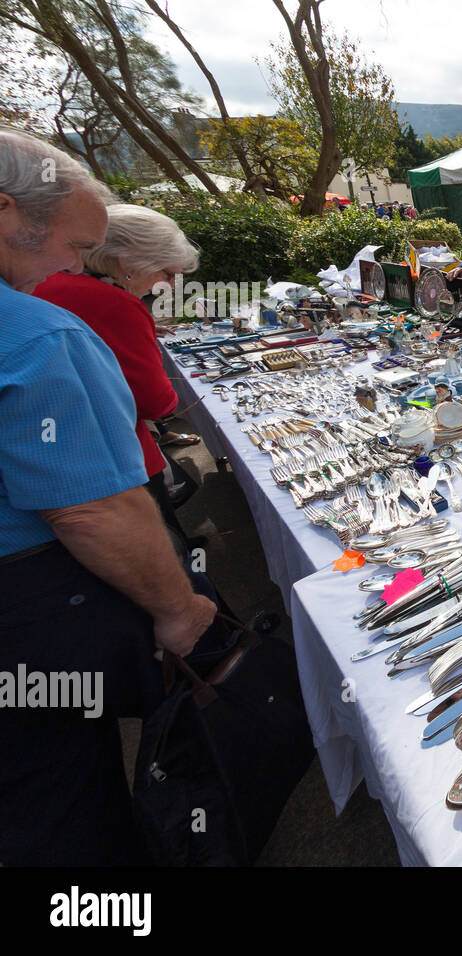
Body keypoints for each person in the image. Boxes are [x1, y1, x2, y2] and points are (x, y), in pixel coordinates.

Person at [0, 128, 217, 865]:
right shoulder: (34, 332)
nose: (74, 264)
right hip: (28, 612)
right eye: (73, 244)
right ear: (6, 214)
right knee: (62, 803)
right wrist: (179, 610)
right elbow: (89, 508)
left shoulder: (37, 311)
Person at [33, 204, 200, 537]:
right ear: (126, 261)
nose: (166, 285)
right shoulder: (114, 303)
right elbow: (157, 403)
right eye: (167, 274)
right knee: (163, 551)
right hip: (111, 460)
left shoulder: (49, 280)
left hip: (57, 461)